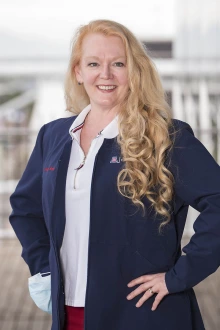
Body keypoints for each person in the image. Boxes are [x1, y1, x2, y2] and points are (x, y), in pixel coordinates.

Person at [9, 19, 220, 330]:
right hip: (71, 315)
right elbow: (26, 209)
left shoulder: (167, 137)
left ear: (133, 72)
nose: (105, 74)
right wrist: (43, 269)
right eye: (94, 63)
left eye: (118, 63)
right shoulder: (53, 136)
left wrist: (181, 275)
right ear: (78, 72)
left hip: (145, 314)